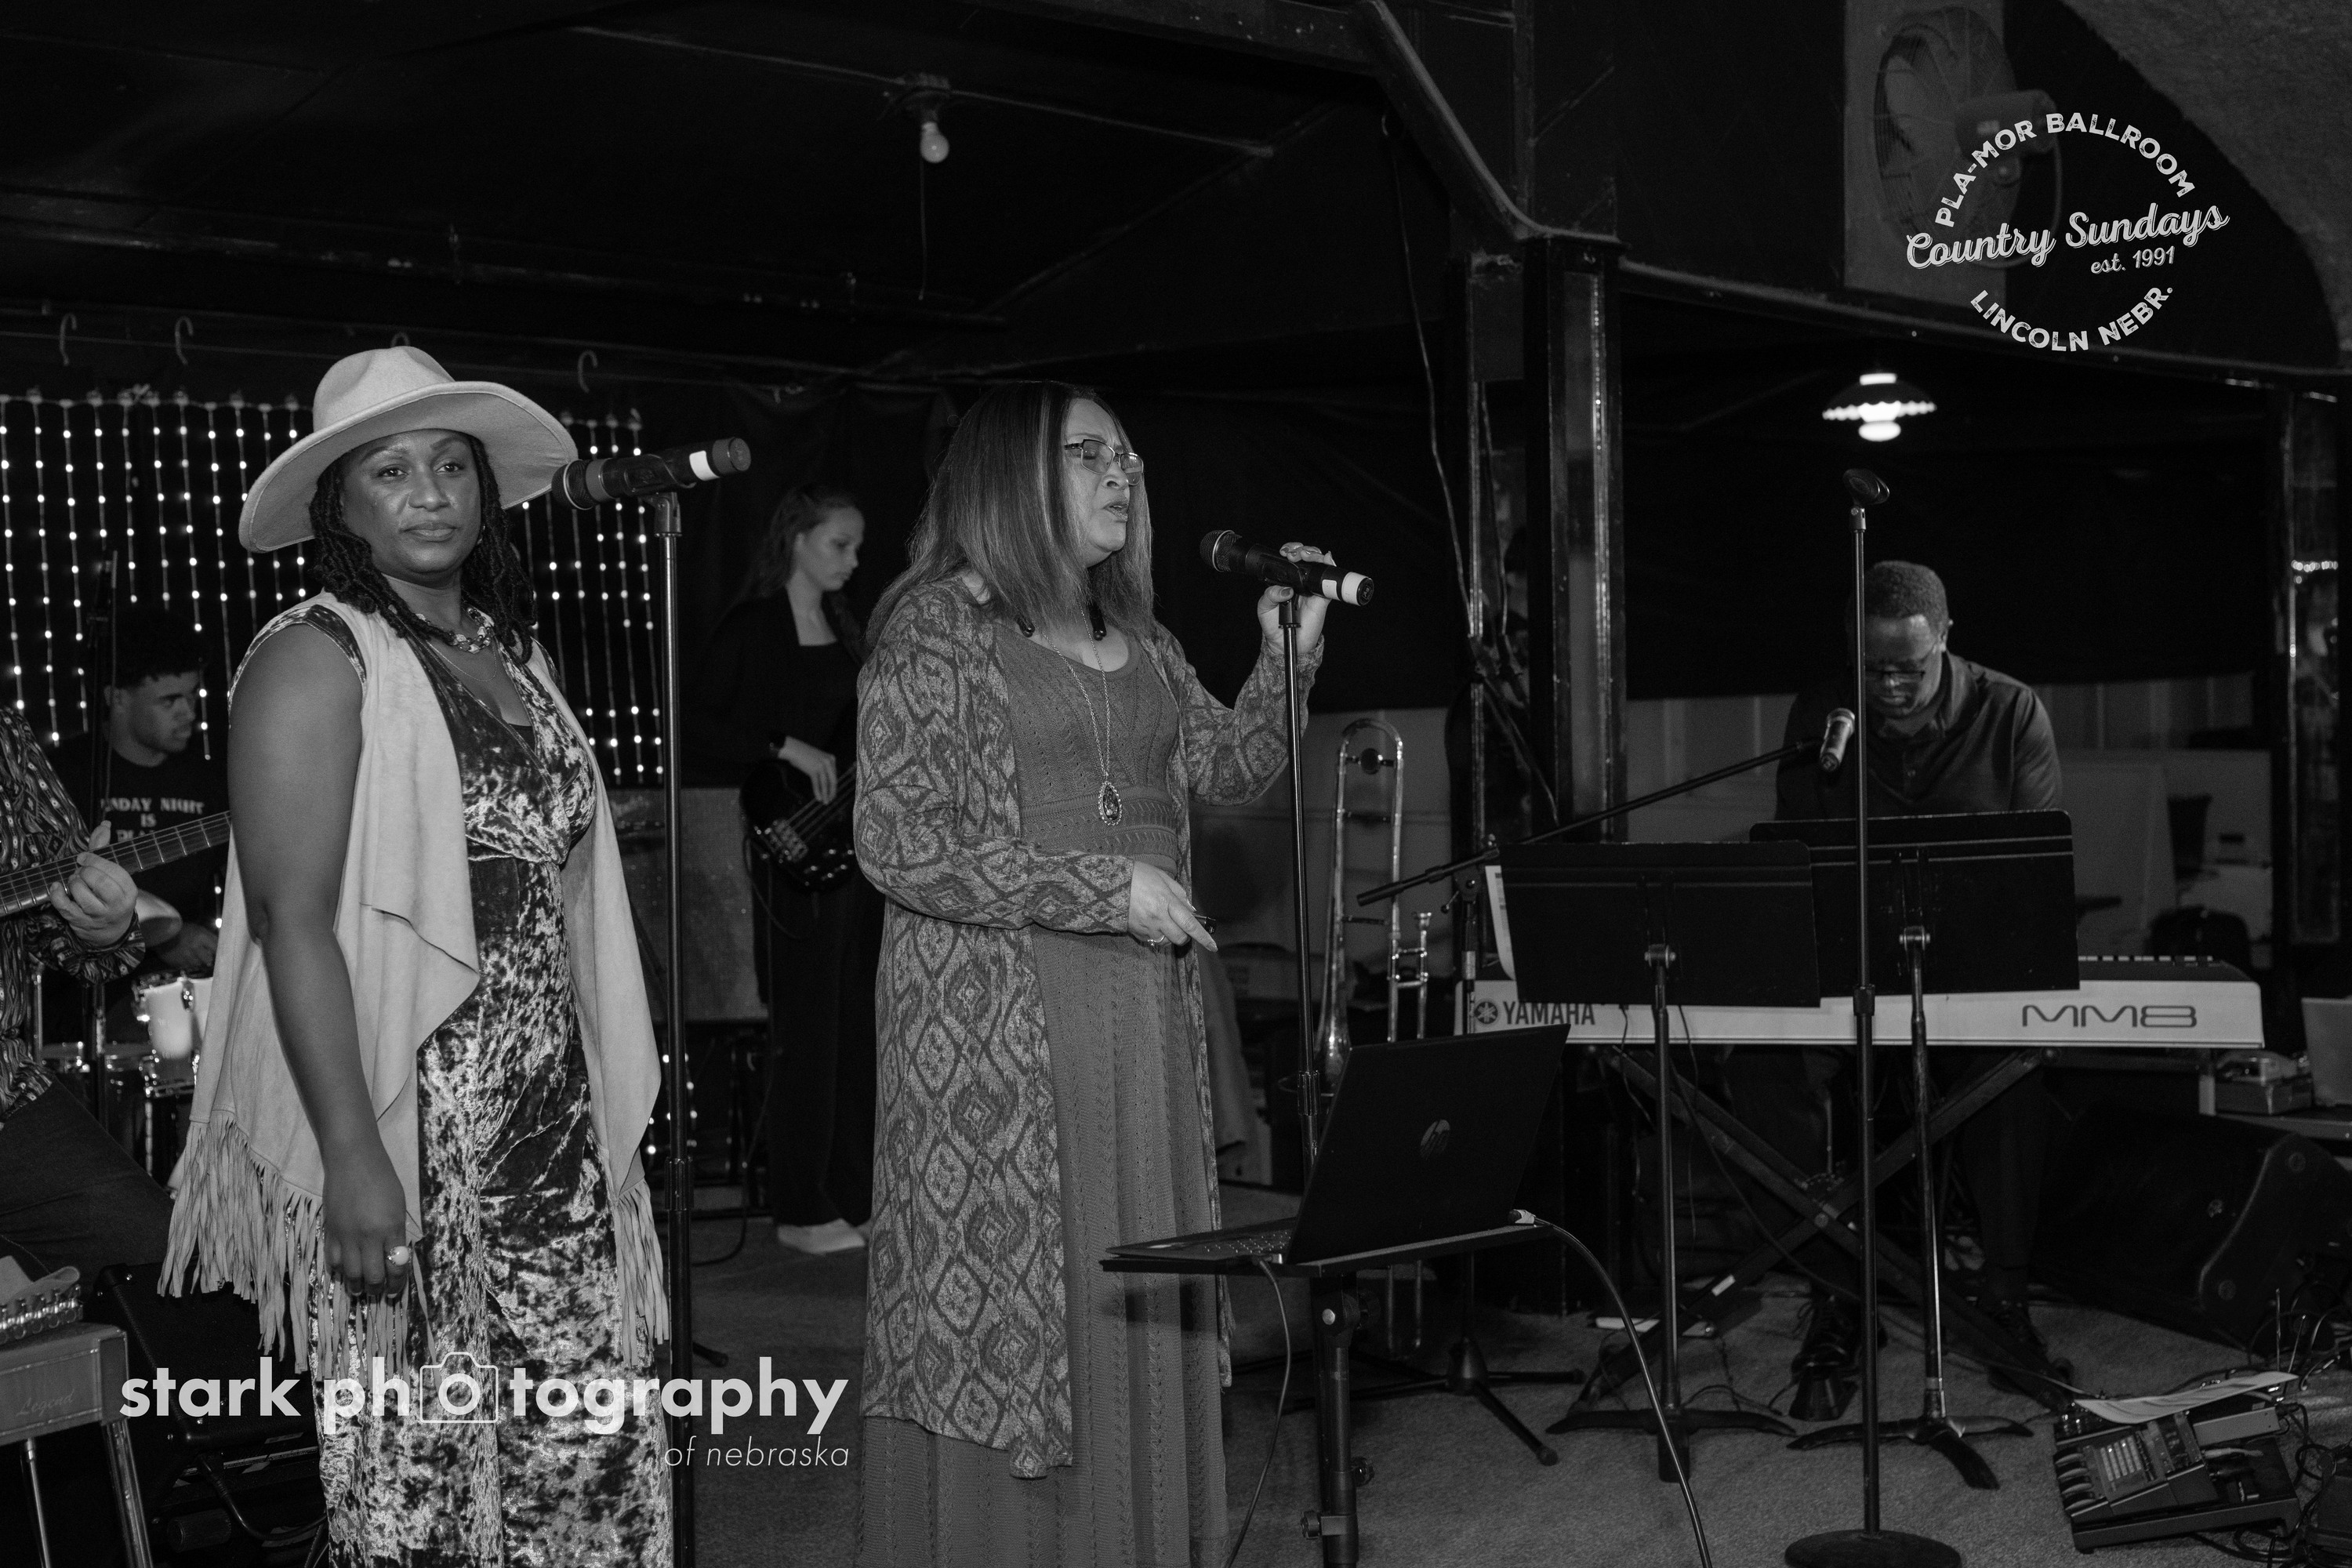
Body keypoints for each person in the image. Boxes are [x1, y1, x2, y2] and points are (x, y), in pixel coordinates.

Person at [162, 346, 670, 1564]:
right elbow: (289, 918)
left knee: (589, 1476)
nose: (430, 492)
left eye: (451, 465)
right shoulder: (313, 656)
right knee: (423, 1493)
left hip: (550, 1128)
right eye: (391, 471)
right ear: (339, 505)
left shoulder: (516, 653)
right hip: (411, 1125)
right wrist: (351, 1154)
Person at [851, 382, 1329, 1566]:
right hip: (1002, 1025)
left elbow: (1229, 768)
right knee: (1028, 1308)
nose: (1123, 474)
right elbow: (898, 842)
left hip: (1139, 1022)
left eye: (1129, 458)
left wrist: (1287, 657)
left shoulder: (1145, 637)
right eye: (1088, 454)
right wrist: (1101, 888)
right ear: (1012, 474)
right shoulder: (936, 630)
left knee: (1141, 1285)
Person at [1728, 560, 2065, 1417]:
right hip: (1849, 973)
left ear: (1945, 637)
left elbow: (2032, 876)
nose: (1888, 686)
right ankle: (1838, 1288)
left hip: (1971, 977)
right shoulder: (1822, 716)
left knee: (2011, 1070)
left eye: (1908, 668)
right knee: (1767, 1065)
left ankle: (2004, 1295)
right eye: (1872, 667)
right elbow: (1799, 864)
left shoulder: (2011, 712)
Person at [685, 484, 882, 1258]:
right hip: (791, 847)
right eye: (839, 544)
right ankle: (800, 1206)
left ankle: (853, 1194)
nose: (853, 560)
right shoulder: (754, 624)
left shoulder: (848, 629)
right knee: (806, 1029)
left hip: (855, 848)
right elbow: (696, 721)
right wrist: (781, 744)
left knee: (856, 1024)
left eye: (857, 546)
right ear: (797, 539)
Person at [0, 719, 154, 1284]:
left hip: (5, 1092)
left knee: (159, 1260)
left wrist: (100, 927)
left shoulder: (5, 738)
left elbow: (57, 919)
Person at [51, 607, 229, 973]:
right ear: (117, 698)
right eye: (170, 700)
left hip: (183, 987)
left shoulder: (210, 779)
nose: (189, 712)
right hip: (87, 982)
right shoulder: (61, 775)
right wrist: (163, 938)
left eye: (192, 695)